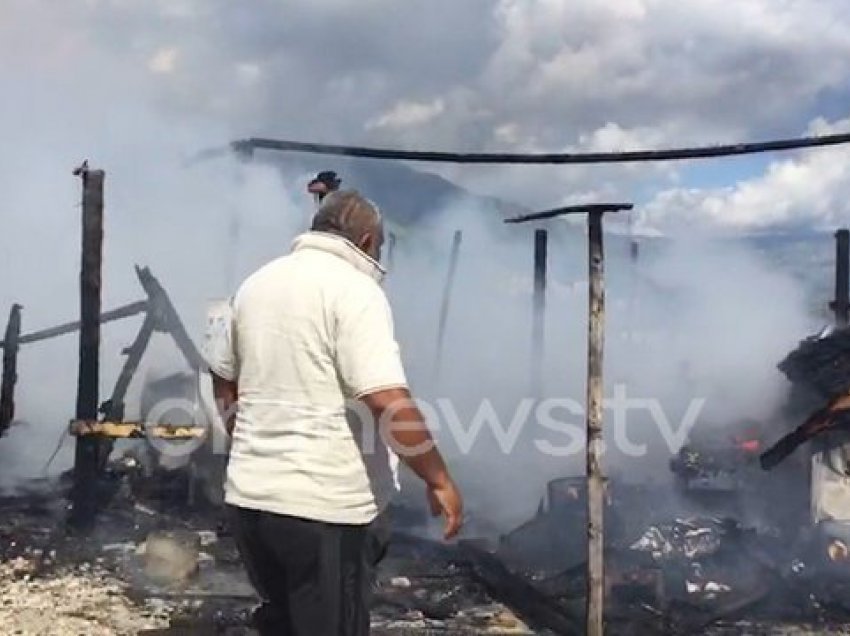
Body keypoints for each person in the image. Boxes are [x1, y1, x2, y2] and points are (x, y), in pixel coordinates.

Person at [207, 190, 463, 636]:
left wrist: (247, 438)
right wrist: (438, 478)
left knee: (283, 624)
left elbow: (223, 378)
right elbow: (386, 400)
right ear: (366, 242)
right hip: (325, 511)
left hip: (251, 502)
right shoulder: (354, 290)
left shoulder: (256, 283)